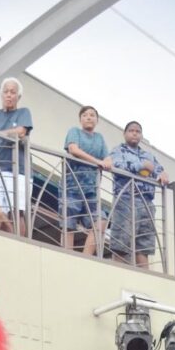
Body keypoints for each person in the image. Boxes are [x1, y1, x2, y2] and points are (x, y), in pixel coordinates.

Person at [108, 121, 168, 268]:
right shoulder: (118, 151)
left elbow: (159, 170)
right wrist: (141, 166)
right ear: (125, 133)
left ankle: (145, 280)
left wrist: (163, 174)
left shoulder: (148, 155)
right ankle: (118, 274)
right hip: (126, 199)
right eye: (131, 130)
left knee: (144, 247)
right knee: (121, 244)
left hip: (146, 202)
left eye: (138, 131)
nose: (134, 133)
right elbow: (116, 166)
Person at [0, 78, 32, 236]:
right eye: (6, 92)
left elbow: (21, 132)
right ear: (1, 95)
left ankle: (21, 245)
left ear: (18, 96)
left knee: (17, 211)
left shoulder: (23, 112)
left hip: (19, 170)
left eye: (13, 92)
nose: (9, 95)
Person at [62, 104, 111, 255]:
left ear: (97, 120)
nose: (89, 117)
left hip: (91, 189)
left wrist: (107, 161)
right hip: (72, 185)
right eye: (85, 115)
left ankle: (85, 257)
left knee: (101, 221)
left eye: (92, 115)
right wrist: (97, 162)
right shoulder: (74, 131)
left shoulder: (100, 138)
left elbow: (107, 158)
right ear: (80, 119)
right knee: (68, 222)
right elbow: (73, 149)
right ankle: (66, 255)